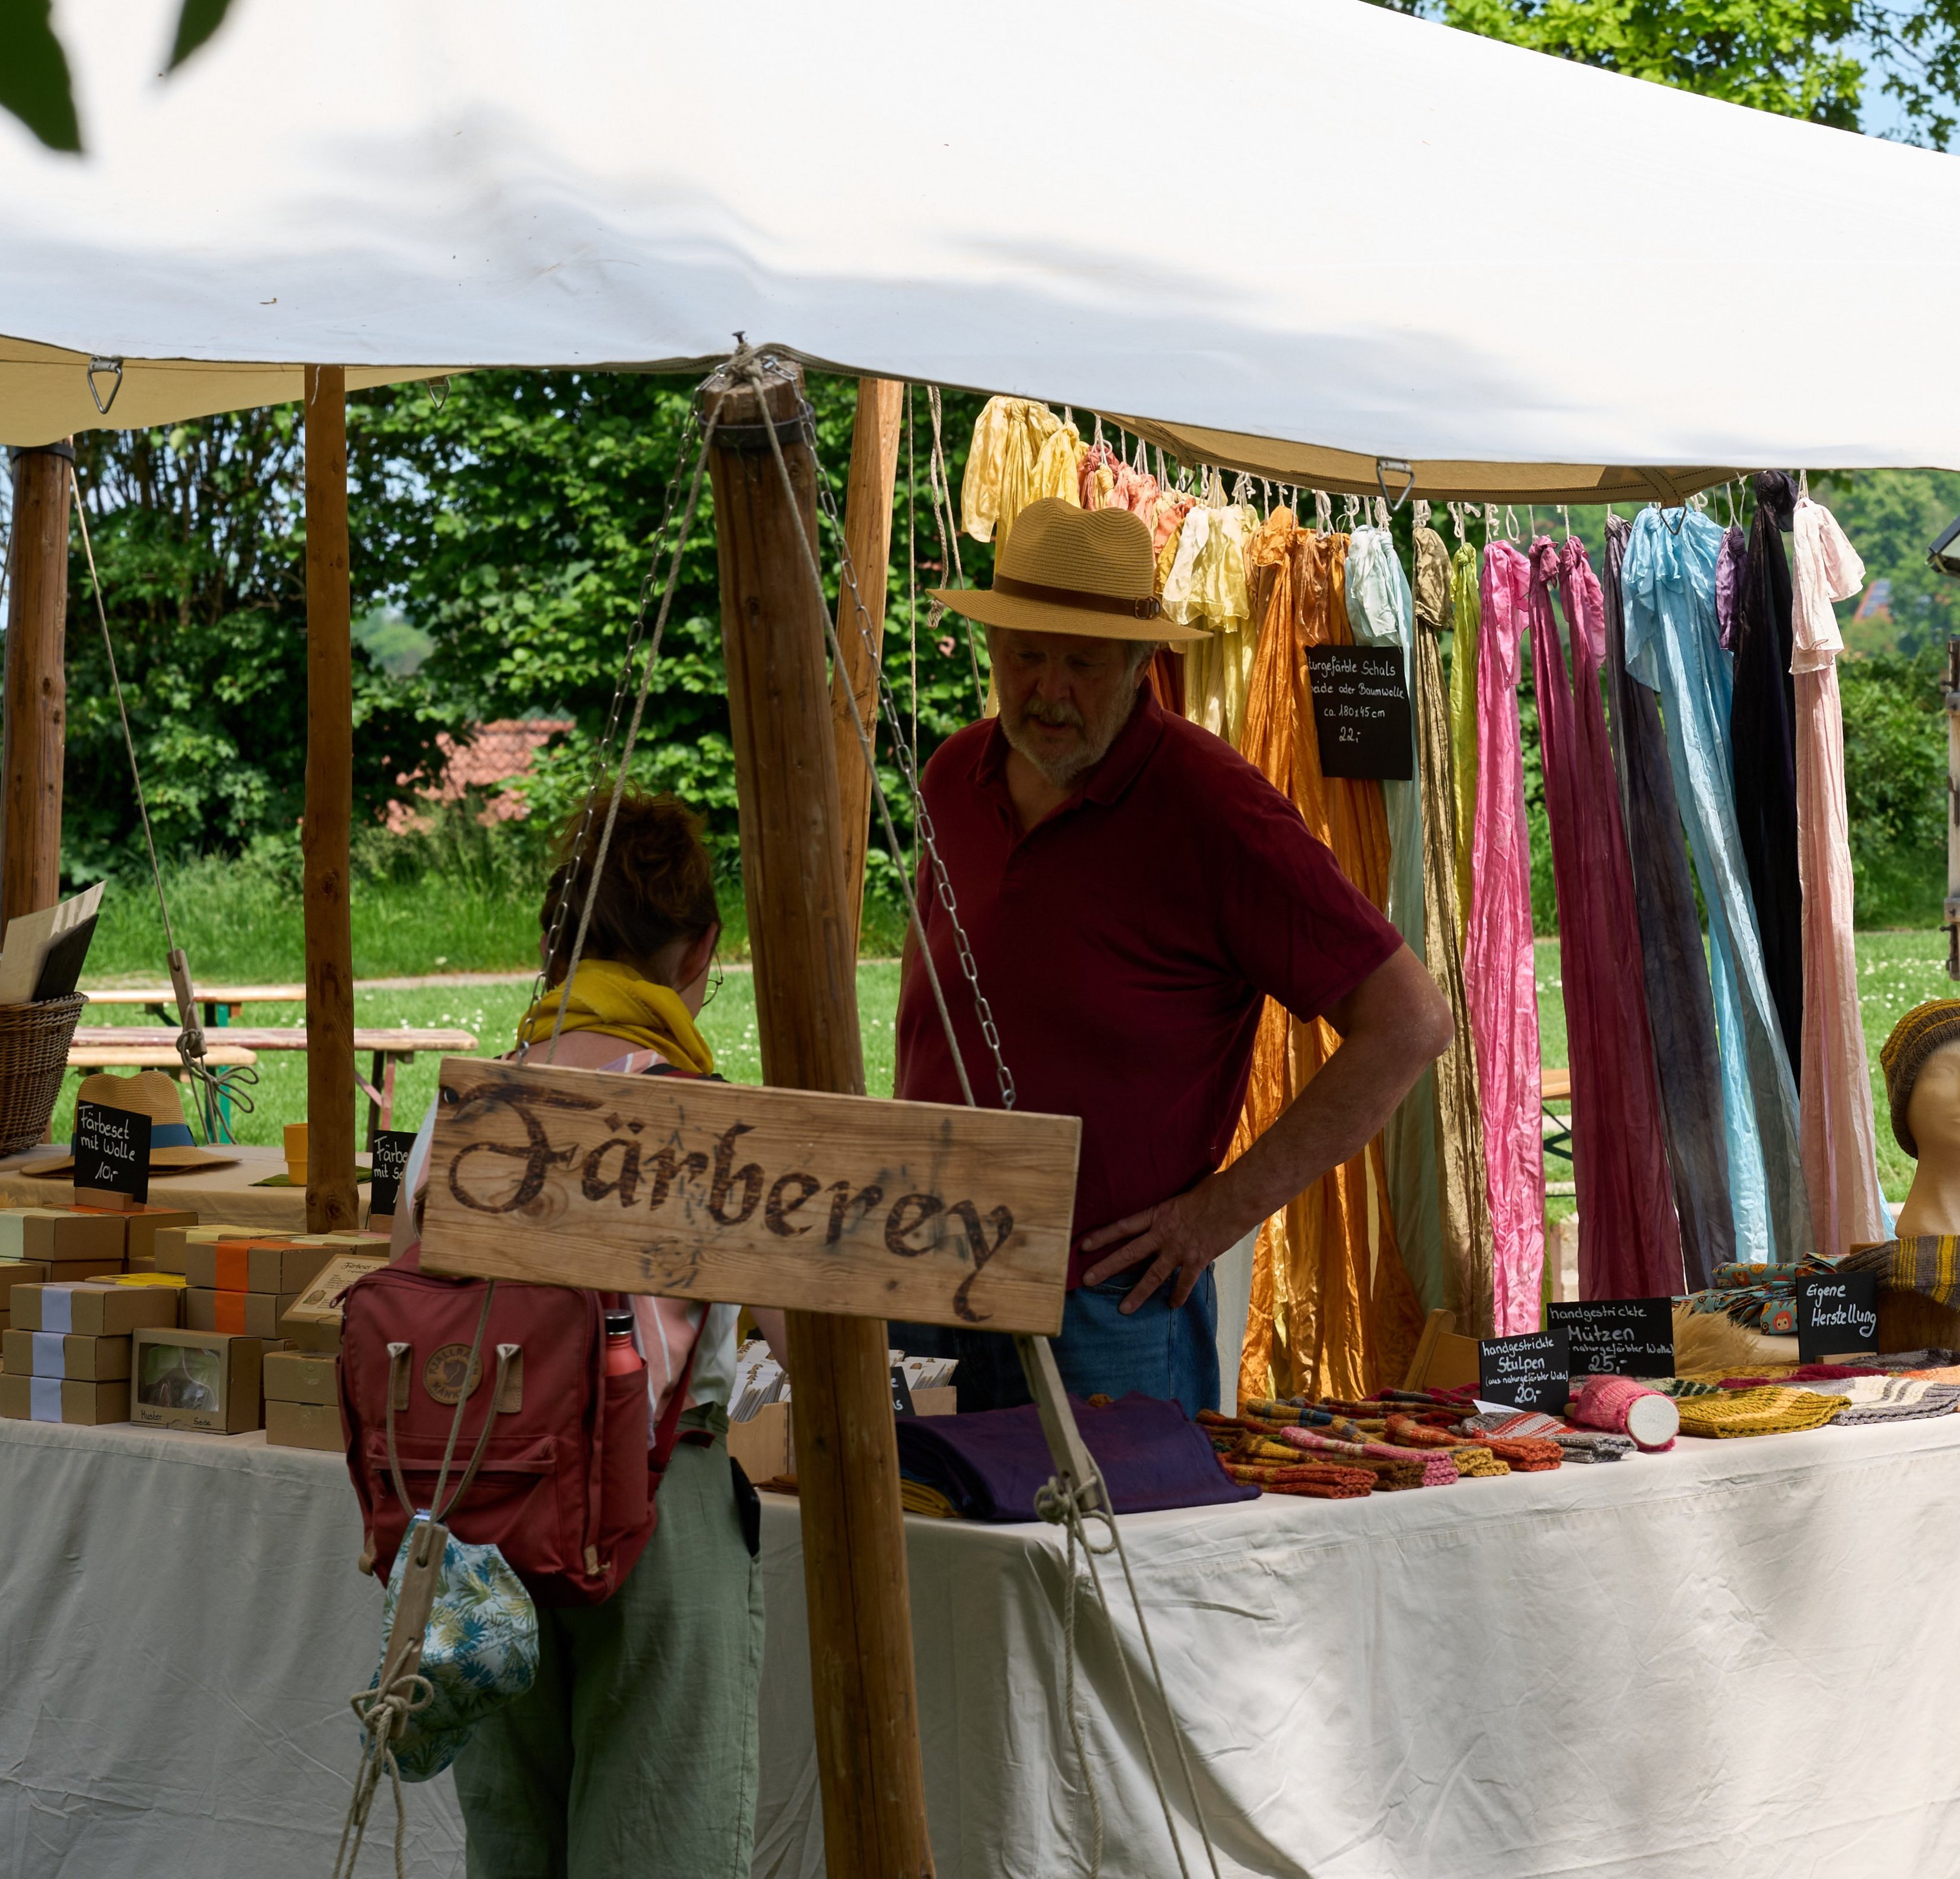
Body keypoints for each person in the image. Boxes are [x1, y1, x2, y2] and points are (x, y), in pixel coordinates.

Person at [896, 498, 1450, 1416]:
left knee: (1125, 1560)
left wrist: (1221, 1212)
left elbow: (1409, 1023)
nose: (1047, 690)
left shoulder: (1214, 811)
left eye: (1079, 663)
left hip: (1106, 1304)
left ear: (1136, 662)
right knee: (929, 1555)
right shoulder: (955, 776)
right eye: (1025, 655)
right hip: (922, 1268)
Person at [391, 787, 768, 1878]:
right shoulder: (696, 1118)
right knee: (661, 1841)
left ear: (558, 943)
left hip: (481, 1516)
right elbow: (795, 1329)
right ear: (700, 949)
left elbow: (407, 1289)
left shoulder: (462, 1111)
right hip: (654, 1511)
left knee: (513, 1844)